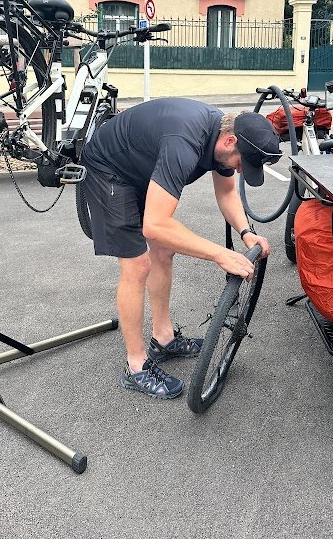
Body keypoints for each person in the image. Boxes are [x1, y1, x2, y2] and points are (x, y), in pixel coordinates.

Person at [81, 97, 280, 400]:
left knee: (163, 251)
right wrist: (219, 253)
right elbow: (155, 225)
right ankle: (136, 367)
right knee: (138, 265)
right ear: (230, 142)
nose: (240, 171)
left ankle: (163, 339)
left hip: (141, 164)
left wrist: (246, 233)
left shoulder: (222, 138)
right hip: (110, 168)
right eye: (242, 163)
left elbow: (227, 193)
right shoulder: (184, 142)